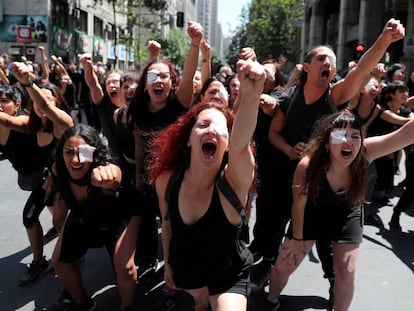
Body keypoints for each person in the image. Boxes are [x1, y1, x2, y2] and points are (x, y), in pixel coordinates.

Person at [255, 18, 405, 300]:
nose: (329, 64)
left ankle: (335, 286)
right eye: (323, 58)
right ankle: (266, 278)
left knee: (332, 250)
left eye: (333, 61)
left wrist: (385, 39)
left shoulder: (335, 96)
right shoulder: (289, 99)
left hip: (326, 186)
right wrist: (290, 150)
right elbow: (274, 133)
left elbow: (360, 71)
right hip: (289, 179)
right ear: (307, 67)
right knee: (276, 238)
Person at [148, 58, 264, 311]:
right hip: (188, 269)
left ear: (227, 144)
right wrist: (167, 263)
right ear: (189, 139)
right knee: (200, 304)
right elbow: (167, 223)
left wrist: (252, 94)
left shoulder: (233, 182)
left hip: (228, 274)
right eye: (202, 125)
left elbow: (241, 145)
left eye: (220, 128)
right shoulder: (167, 181)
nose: (211, 130)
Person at [267, 110, 414, 311]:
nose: (349, 141)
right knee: (285, 264)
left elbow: (407, 134)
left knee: (346, 269)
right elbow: (299, 205)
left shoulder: (366, 152)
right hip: (311, 213)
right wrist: (297, 241)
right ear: (326, 143)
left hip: (346, 213)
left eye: (355, 136)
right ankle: (270, 300)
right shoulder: (308, 166)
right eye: (340, 135)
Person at [45, 124, 140, 311]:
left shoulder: (104, 169)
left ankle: (126, 307)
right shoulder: (58, 169)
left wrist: (109, 180)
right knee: (59, 262)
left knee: (126, 269)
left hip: (119, 218)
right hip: (84, 217)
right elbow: (59, 192)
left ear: (94, 153)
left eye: (82, 152)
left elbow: (114, 176)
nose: (75, 159)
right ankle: (84, 304)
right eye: (68, 152)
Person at [0, 84, 53, 285]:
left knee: (29, 217)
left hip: (48, 176)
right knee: (54, 211)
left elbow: (8, 120)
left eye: (5, 101)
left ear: (18, 105)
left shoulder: (25, 121)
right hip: (29, 177)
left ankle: (40, 263)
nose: (0, 105)